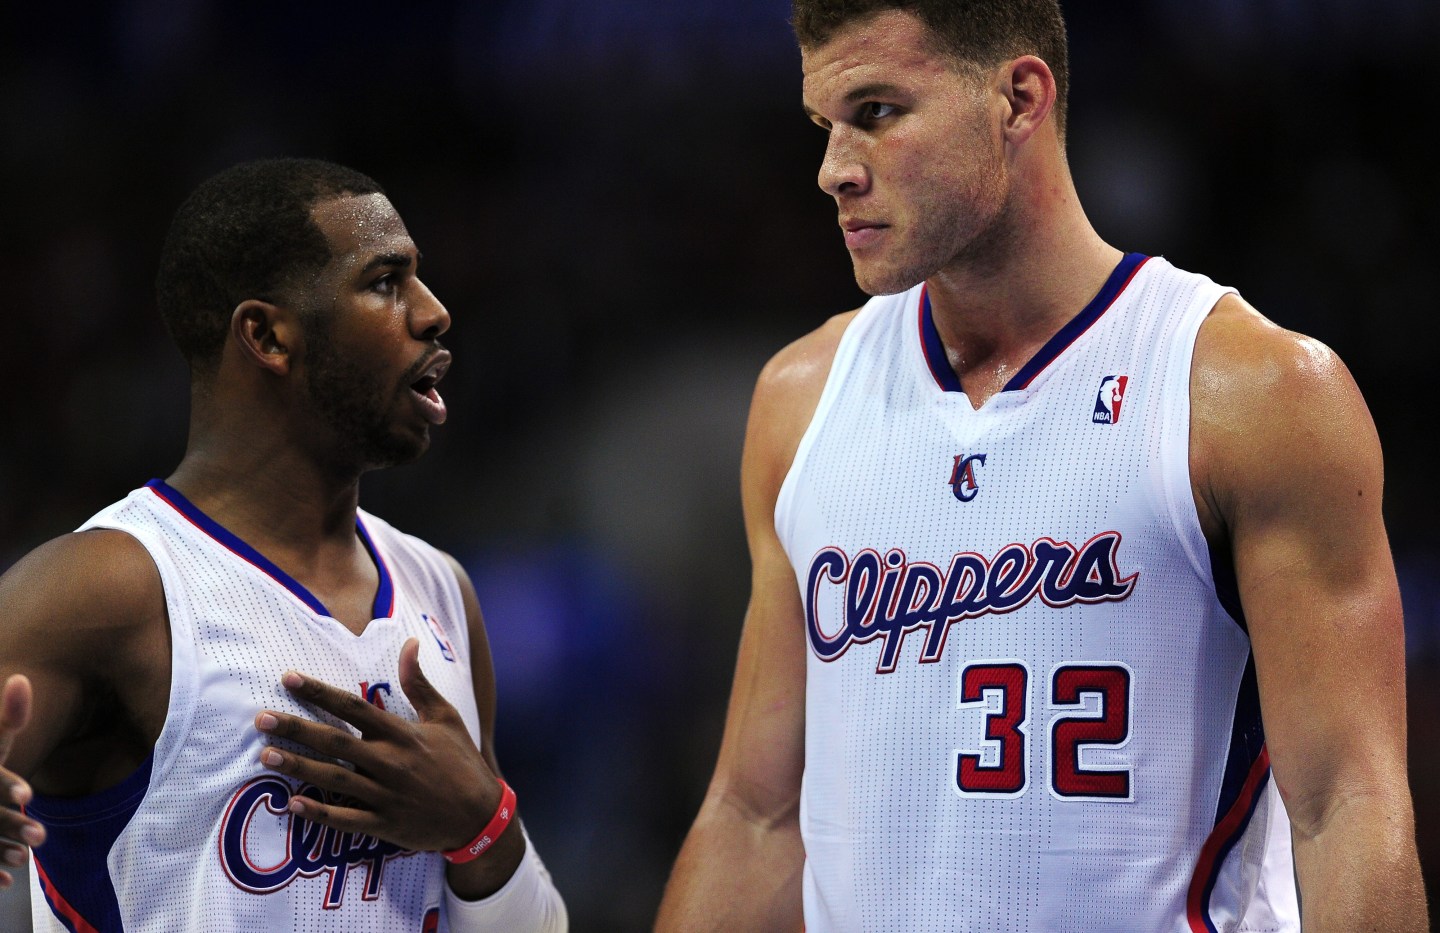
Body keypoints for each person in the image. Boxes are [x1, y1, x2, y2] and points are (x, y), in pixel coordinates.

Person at [655, 2, 1428, 930]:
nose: (833, 169)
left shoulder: (1250, 392)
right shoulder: (800, 400)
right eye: (825, 124)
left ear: (1019, 99)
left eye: (877, 112)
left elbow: (1348, 806)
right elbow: (754, 812)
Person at [0, 158, 567, 932]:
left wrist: (483, 828)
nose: (434, 312)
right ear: (267, 335)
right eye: (385, 282)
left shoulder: (439, 587)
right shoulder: (107, 586)